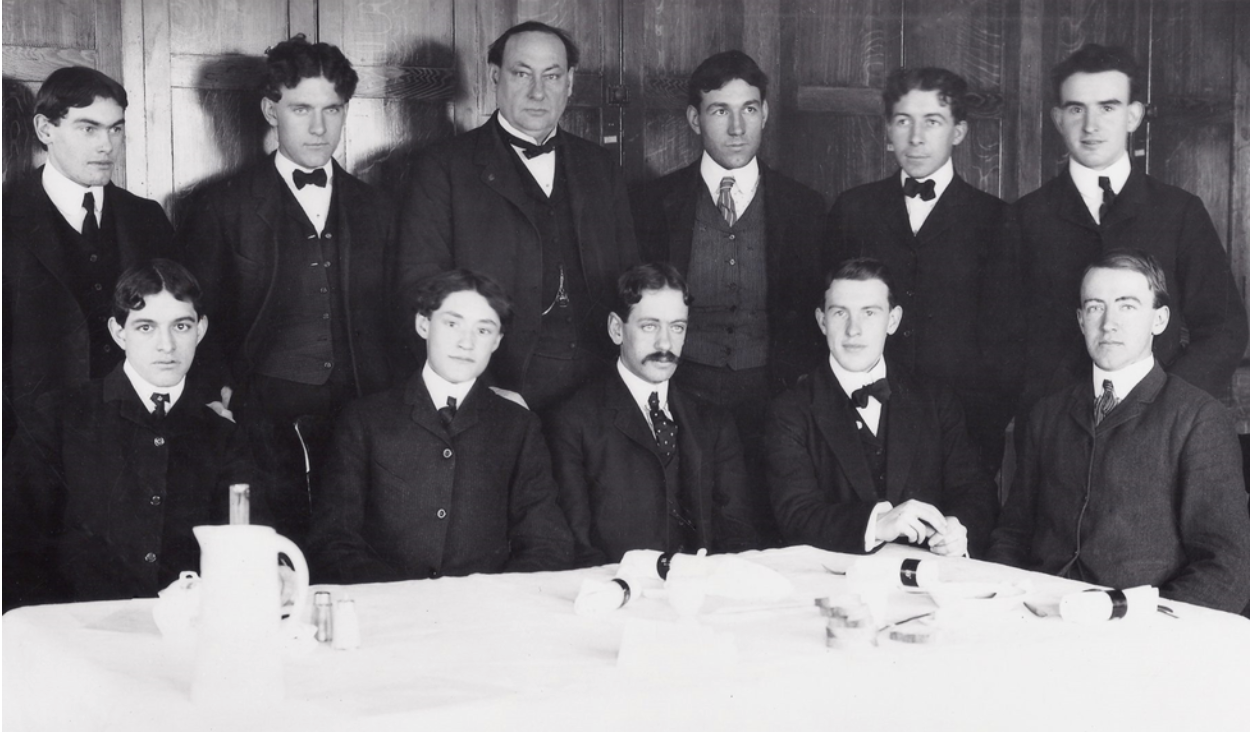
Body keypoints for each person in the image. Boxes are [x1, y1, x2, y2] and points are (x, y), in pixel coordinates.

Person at [178, 36, 407, 540]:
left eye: (333, 109)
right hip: (259, 417)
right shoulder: (221, 206)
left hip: (362, 412)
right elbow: (195, 319)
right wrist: (218, 401)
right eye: (301, 108)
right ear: (270, 109)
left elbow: (398, 319)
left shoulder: (380, 210)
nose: (319, 127)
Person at [630, 50, 826, 542]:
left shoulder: (804, 207)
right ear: (695, 119)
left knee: (767, 525)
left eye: (750, 109)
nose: (738, 127)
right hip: (682, 392)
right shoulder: (653, 204)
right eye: (721, 111)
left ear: (766, 113)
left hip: (772, 394)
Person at [989, 250, 1250, 613]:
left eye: (1127, 306)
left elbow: (1228, 567)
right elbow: (1012, 535)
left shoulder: (1197, 418)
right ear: (1081, 320)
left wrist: (1144, 627)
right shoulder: (1047, 414)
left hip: (1141, 635)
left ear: (1159, 320)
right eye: (1095, 307)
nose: (1108, 323)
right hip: (1039, 620)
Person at [3, 259, 272, 610]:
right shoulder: (59, 415)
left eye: (181, 326)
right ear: (119, 333)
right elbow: (12, 542)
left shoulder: (223, 432)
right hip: (74, 631)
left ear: (201, 330)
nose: (167, 345)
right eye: (146, 328)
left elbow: (246, 550)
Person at [398, 21, 638, 413]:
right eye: (522, 74)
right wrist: (479, 388)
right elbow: (420, 289)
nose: (538, 92)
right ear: (495, 76)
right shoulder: (443, 167)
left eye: (552, 76)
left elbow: (631, 278)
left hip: (599, 389)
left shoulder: (600, 166)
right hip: (498, 388)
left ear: (570, 82)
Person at [1016, 43, 1246, 419]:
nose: (1091, 126)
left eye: (1107, 107)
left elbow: (1224, 328)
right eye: (1077, 109)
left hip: (1159, 432)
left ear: (1134, 116)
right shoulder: (1025, 216)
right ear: (1058, 118)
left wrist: (1167, 406)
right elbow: (1000, 340)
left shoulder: (1180, 211)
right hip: (1053, 434)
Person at [307, 269, 574, 584]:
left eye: (483, 330)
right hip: (388, 611)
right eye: (452, 324)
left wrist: (495, 601)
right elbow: (333, 539)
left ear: (498, 341)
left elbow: (547, 541)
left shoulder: (519, 427)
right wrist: (400, 598)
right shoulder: (365, 420)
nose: (466, 343)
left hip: (484, 615)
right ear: (423, 324)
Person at [824, 66, 1021, 477]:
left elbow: (1006, 338)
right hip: (865, 411)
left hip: (964, 422)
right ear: (887, 130)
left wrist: (984, 419)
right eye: (903, 121)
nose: (916, 137)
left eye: (932, 121)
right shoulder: (853, 209)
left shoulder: (995, 219)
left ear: (959, 132)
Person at [767, 258, 998, 557]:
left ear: (893, 320)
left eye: (869, 313)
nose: (854, 329)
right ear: (822, 321)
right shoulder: (789, 410)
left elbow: (976, 493)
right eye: (840, 313)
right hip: (834, 584)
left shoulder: (936, 400)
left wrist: (958, 528)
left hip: (925, 579)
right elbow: (795, 515)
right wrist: (875, 525)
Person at [4, 66, 176, 448]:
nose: (107, 145)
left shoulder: (146, 217)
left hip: (137, 432)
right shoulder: (6, 219)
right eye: (88, 129)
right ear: (45, 130)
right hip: (35, 441)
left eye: (115, 129)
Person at [549, 263, 760, 566]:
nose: (665, 344)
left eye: (677, 327)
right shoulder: (572, 421)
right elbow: (577, 547)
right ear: (616, 329)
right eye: (650, 326)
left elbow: (738, 535)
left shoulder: (713, 421)